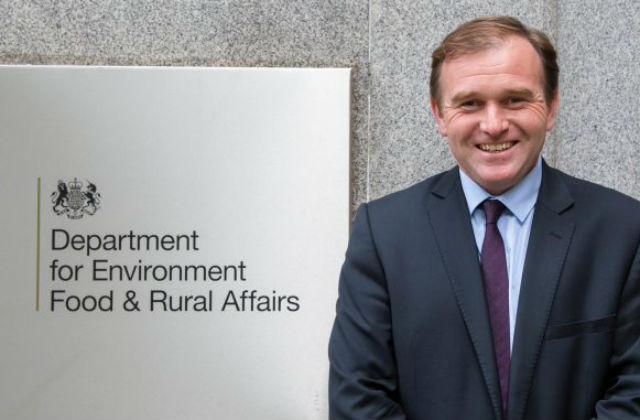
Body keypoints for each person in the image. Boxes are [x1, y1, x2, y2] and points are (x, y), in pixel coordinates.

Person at [328, 15, 640, 419]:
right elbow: (359, 399)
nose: (493, 125)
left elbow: (633, 395)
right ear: (439, 114)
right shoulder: (384, 233)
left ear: (551, 106)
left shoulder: (623, 231)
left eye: (514, 99)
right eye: (470, 103)